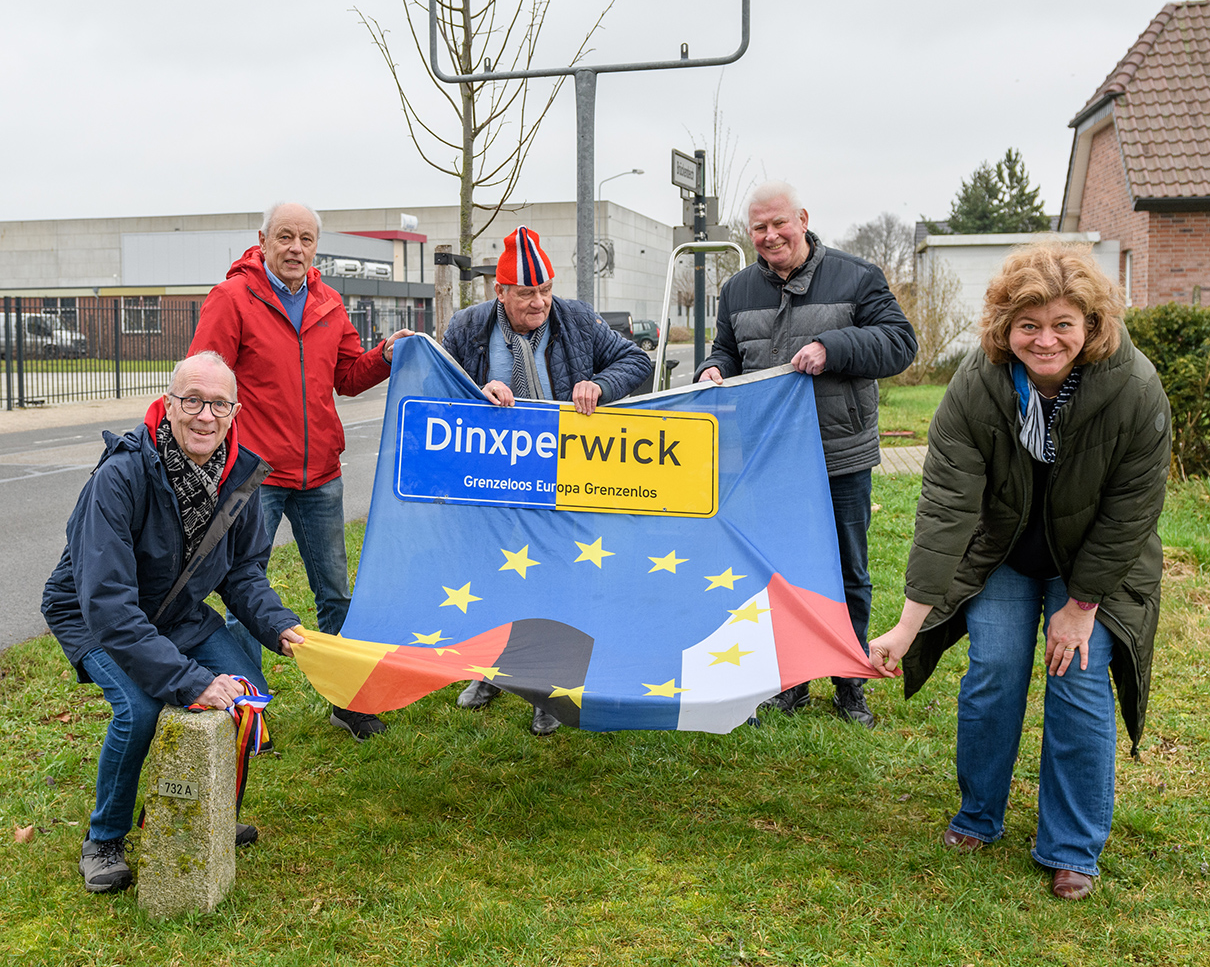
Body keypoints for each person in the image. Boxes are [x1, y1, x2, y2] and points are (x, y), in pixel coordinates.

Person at [869, 243, 1170, 901]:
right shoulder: (977, 385)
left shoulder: (1134, 387)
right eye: (1028, 324)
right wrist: (907, 622)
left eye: (1063, 322)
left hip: (1094, 563)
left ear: (1091, 324)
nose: (1045, 339)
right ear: (1004, 327)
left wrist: (1081, 604)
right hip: (1003, 552)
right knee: (995, 667)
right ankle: (978, 813)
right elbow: (947, 504)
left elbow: (1131, 511)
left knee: (1080, 677)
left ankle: (1070, 846)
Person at [42, 352, 306, 893]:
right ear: (168, 404)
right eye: (192, 401)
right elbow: (109, 604)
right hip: (96, 614)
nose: (204, 416)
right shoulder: (120, 476)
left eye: (218, 404)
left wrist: (280, 625)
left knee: (245, 694)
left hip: (176, 609)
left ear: (234, 411)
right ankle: (105, 838)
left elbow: (243, 575)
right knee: (138, 710)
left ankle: (209, 814)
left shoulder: (241, 476)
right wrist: (191, 681)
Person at [695, 181, 917, 726]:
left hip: (838, 452)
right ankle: (789, 680)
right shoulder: (738, 288)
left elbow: (900, 342)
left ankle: (847, 679)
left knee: (847, 570)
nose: (770, 236)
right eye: (758, 228)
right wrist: (713, 367)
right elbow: (726, 346)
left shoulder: (856, 276)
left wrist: (833, 347)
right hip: (769, 458)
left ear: (803, 219)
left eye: (779, 224)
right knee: (780, 570)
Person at [188, 202, 411, 741]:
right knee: (246, 595)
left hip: (321, 477)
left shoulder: (329, 302)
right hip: (254, 476)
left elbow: (349, 377)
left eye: (306, 239)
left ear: (316, 246)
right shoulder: (232, 298)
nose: (295, 248)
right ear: (263, 239)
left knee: (335, 591)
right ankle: (247, 716)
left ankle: (348, 702)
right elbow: (204, 378)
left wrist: (386, 353)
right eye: (285, 236)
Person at [442, 225, 651, 734]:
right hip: (492, 481)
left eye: (544, 290)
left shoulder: (576, 319)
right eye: (525, 293)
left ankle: (549, 688)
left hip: (564, 478)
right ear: (500, 291)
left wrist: (599, 385)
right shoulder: (467, 327)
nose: (538, 303)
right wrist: (475, 392)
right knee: (496, 575)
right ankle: (494, 672)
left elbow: (638, 360)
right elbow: (440, 387)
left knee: (554, 578)